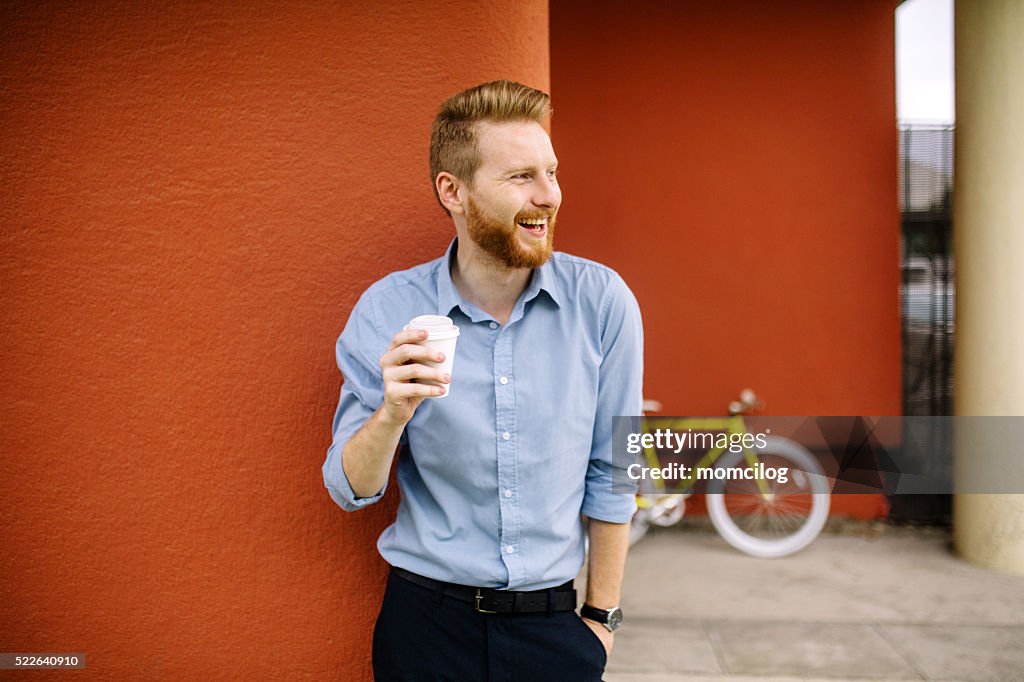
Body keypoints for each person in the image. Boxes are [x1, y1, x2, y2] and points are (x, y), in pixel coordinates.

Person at [322, 79, 643, 681]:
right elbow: (348, 488)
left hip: (554, 628)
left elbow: (615, 469)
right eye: (522, 176)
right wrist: (392, 413)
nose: (550, 195)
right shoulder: (388, 309)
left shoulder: (602, 303)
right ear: (455, 191)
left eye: (551, 172)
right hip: (425, 629)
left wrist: (602, 620)